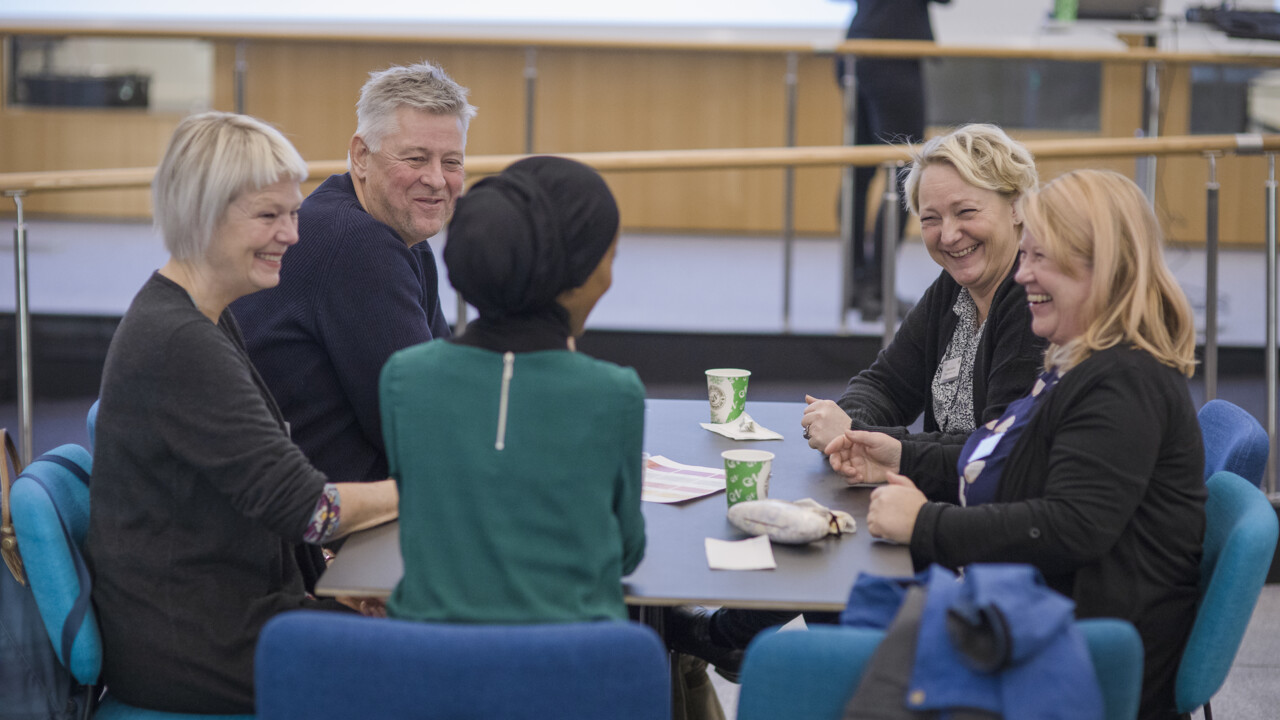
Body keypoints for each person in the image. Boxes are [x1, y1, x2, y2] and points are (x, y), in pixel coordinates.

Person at [830, 169, 1204, 720]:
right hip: (1035, 616)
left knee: (807, 660)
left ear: (1101, 265)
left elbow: (1070, 527)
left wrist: (925, 523)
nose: (1023, 274)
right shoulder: (1078, 360)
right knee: (843, 621)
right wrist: (899, 456)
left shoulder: (1123, 380)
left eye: (1040, 258)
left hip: (1079, 655)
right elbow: (1009, 460)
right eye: (1025, 255)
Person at [86, 112, 399, 714]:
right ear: (201, 215)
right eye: (268, 216)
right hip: (198, 648)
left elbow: (272, 499)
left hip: (212, 621)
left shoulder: (198, 317)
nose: (292, 235)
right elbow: (312, 510)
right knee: (446, 661)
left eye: (293, 214)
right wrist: (421, 493)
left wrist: (331, 591)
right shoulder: (180, 343)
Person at [383, 156, 645, 624]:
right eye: (611, 258)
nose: (611, 275)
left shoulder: (404, 377)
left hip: (428, 660)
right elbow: (627, 551)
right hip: (570, 661)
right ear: (574, 276)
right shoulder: (613, 393)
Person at [233, 61, 476, 487]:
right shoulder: (356, 242)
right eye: (416, 158)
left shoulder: (399, 237)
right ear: (362, 156)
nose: (437, 180)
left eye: (451, 162)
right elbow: (427, 433)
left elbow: (441, 390)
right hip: (320, 518)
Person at [803, 123, 1047, 456]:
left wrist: (859, 438)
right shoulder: (952, 289)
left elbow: (996, 450)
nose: (948, 235)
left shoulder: (1034, 299)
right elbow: (885, 385)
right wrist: (849, 428)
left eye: (966, 212)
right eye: (931, 218)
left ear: (1017, 206)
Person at [837, 0, 951, 319]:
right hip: (893, 58)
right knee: (903, 175)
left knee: (859, 174)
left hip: (856, 50)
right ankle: (876, 288)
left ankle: (858, 283)